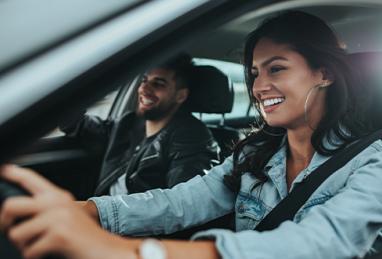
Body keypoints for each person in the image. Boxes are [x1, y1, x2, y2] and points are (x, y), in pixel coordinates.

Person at [1, 11, 382, 259]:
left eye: (276, 69)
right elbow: (180, 201)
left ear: (325, 73)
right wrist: (85, 210)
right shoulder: (255, 154)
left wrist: (128, 252)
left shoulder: (373, 160)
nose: (260, 86)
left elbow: (324, 243)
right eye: (254, 73)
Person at [61, 54, 219, 195]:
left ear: (180, 95)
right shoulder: (128, 123)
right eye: (144, 80)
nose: (144, 88)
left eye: (158, 84)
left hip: (133, 225)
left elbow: (183, 201)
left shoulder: (192, 137)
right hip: (100, 212)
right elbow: (77, 124)